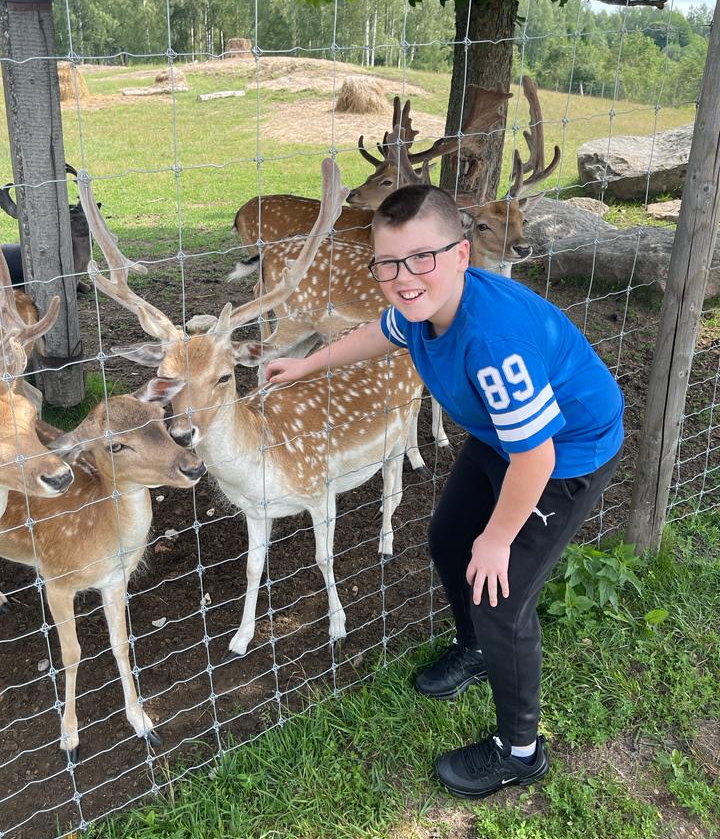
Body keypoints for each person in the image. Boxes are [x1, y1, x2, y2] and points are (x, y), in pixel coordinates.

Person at [265, 183, 624, 799]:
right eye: (388, 263)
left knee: (501, 597)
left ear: (461, 254)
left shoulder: (493, 343)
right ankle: (476, 649)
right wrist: (306, 364)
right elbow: (382, 332)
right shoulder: (423, 307)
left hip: (565, 454)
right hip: (503, 437)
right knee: (449, 538)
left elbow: (536, 457)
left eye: (421, 258)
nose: (403, 277)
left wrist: (499, 538)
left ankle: (521, 752)